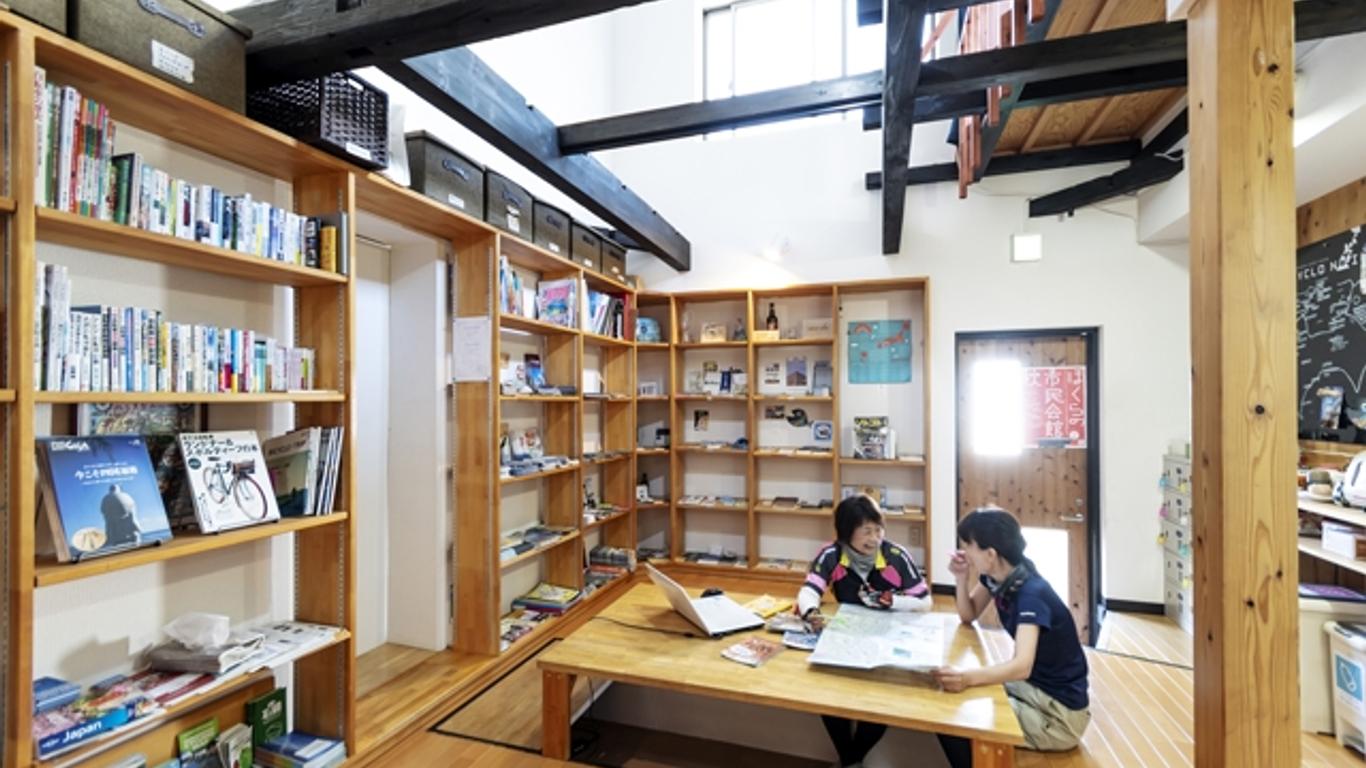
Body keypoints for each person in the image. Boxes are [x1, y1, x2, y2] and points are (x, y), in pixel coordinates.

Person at [932, 507, 1090, 766]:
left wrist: (967, 678)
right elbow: (968, 614)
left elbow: (1021, 666)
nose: (964, 552)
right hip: (1037, 689)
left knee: (956, 716)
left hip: (1059, 716)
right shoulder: (999, 577)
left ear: (990, 554)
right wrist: (961, 578)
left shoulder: (1031, 594)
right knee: (964, 691)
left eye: (968, 545)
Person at [797, 495, 931, 768]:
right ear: (847, 533)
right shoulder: (832, 554)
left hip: (888, 635)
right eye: (866, 531)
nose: (875, 538)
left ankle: (850, 760)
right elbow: (809, 591)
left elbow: (925, 602)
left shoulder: (895, 556)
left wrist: (895, 602)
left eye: (878, 529)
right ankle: (852, 761)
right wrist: (811, 612)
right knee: (827, 692)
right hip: (848, 632)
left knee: (883, 698)